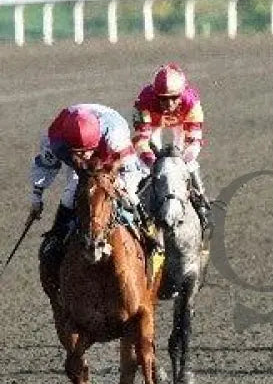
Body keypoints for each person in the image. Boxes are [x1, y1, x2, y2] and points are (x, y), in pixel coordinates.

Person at [29, 104, 158, 271]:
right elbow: (45, 166)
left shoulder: (115, 137)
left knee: (129, 195)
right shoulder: (54, 139)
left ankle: (147, 232)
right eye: (79, 152)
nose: (85, 156)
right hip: (79, 142)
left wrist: (119, 187)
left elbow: (132, 171)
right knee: (71, 192)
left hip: (109, 151)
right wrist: (36, 198)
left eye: (88, 151)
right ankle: (57, 236)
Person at [132, 63, 210, 227]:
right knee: (143, 166)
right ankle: (134, 202)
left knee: (187, 162)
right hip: (153, 124)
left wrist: (180, 160)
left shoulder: (191, 101)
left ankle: (201, 201)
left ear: (182, 94)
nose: (169, 104)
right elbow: (141, 140)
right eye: (163, 99)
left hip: (181, 125)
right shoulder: (145, 101)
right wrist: (152, 161)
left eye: (174, 98)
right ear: (156, 95)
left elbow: (194, 141)